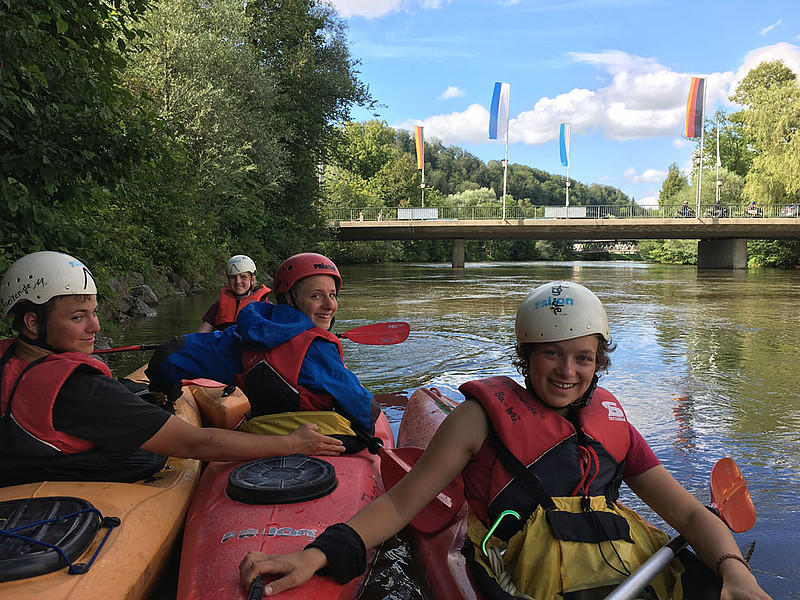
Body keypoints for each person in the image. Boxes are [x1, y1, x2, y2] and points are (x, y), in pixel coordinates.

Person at [239, 281, 770, 600]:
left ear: (599, 361)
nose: (567, 371)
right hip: (524, 579)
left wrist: (734, 570)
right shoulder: (478, 419)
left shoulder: (615, 426)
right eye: (550, 355)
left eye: (582, 357)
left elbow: (695, 517)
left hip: (627, 570)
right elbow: (401, 502)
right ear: (526, 355)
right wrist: (319, 554)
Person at [0, 252, 344, 487]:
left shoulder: (10, 359)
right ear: (33, 322)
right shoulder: (84, 391)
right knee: (148, 455)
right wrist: (290, 444)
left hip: (22, 457)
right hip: (49, 479)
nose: (96, 327)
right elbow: (197, 443)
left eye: (93, 312)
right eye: (78, 317)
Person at [147, 252, 378, 445]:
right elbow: (366, 410)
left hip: (258, 441)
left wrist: (167, 391)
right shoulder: (319, 350)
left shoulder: (238, 338)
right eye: (316, 296)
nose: (329, 306)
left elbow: (169, 353)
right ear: (288, 297)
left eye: (332, 295)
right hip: (309, 446)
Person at [197, 254, 271, 333]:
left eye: (243, 277)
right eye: (233, 277)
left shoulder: (265, 306)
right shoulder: (216, 308)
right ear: (228, 280)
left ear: (252, 279)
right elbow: (200, 336)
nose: (238, 282)